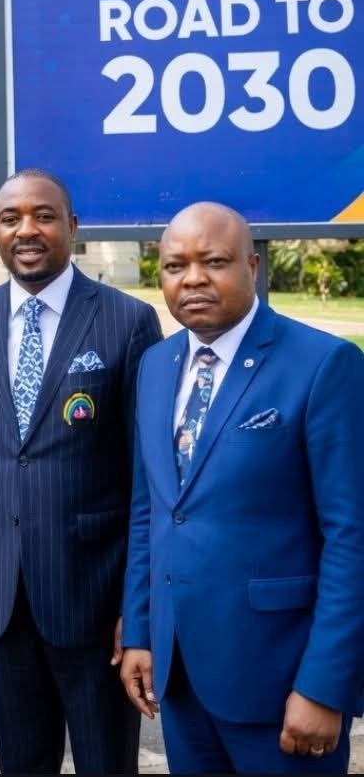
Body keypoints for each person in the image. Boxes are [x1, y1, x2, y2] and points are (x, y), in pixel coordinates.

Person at [120, 201, 364, 774]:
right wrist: (140, 630)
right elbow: (149, 512)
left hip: (280, 685)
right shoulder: (155, 366)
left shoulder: (324, 364)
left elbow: (352, 538)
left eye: (214, 261)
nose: (193, 278)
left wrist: (326, 687)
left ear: (252, 265)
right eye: (175, 265)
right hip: (180, 680)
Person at [0, 168, 163, 774]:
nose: (27, 230)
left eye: (43, 216)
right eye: (11, 218)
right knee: (22, 761)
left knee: (104, 762)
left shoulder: (126, 320)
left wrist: (134, 605)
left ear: (72, 226)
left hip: (93, 595)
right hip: (1, 597)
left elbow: (146, 478)